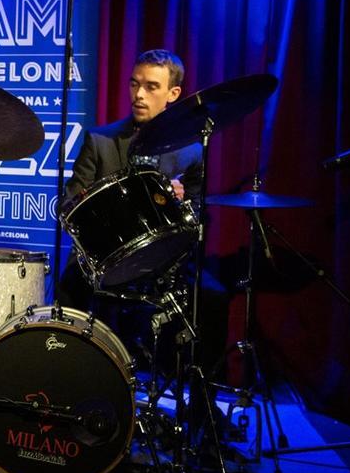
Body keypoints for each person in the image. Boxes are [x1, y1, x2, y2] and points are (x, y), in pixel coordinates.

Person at [59, 49, 228, 374]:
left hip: (162, 261)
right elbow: (68, 205)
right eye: (134, 84)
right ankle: (73, 372)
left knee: (213, 295)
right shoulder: (100, 140)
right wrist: (102, 204)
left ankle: (192, 393)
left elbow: (197, 219)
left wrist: (180, 204)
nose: (138, 94)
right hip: (103, 258)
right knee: (71, 282)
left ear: (173, 94)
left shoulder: (191, 151)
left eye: (151, 86)